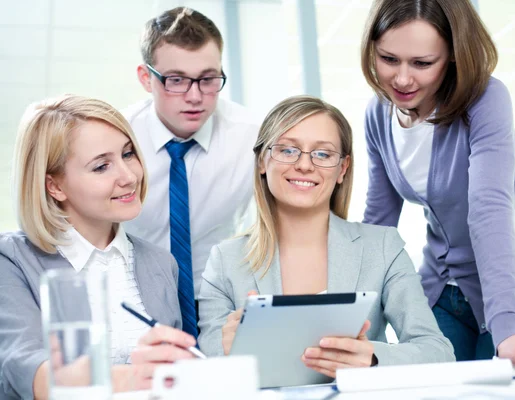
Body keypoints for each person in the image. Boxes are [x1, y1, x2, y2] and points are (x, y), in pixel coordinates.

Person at [360, 0, 515, 370]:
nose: (402, 79)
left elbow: (489, 209)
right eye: (389, 59)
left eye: (422, 63)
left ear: (452, 55)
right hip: (442, 285)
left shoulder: (485, 99)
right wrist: (359, 325)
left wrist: (507, 329)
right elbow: (378, 225)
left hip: (510, 288)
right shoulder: (377, 113)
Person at [197, 95, 455, 378]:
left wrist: (372, 358)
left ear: (342, 169)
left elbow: (437, 350)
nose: (305, 165)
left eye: (322, 154)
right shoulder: (225, 260)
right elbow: (207, 367)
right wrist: (227, 352)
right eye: (287, 150)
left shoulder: (382, 247)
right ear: (262, 161)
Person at [0, 95, 197, 399]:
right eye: (102, 166)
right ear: (55, 186)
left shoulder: (160, 262)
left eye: (128, 154)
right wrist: (137, 377)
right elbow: (25, 370)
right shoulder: (12, 260)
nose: (129, 176)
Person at [122, 7, 259, 337]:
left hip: (222, 306)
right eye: (177, 80)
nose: (195, 97)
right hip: (135, 309)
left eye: (208, 79)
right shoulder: (117, 139)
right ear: (146, 78)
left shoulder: (252, 138)